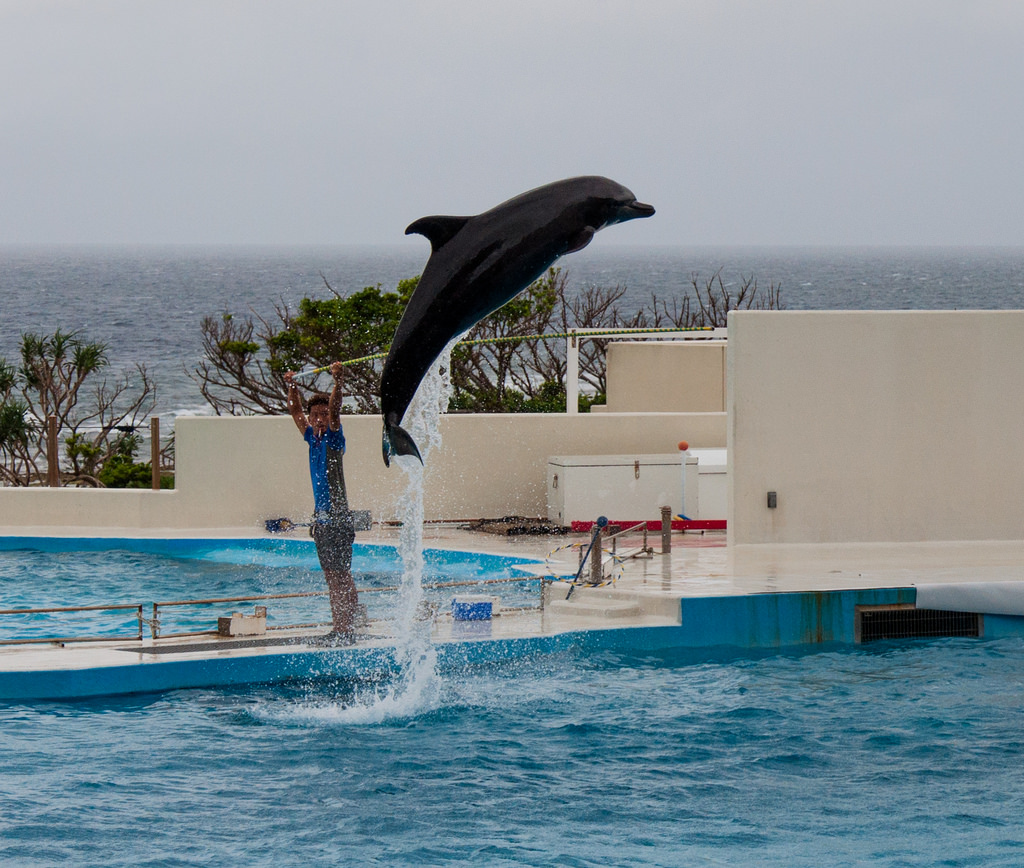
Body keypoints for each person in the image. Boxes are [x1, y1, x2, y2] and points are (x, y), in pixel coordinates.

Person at [284, 362, 358, 642]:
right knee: (332, 576)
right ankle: (343, 625)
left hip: (338, 516)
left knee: (341, 576)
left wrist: (338, 382)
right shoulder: (311, 439)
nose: (318, 419)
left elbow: (337, 409)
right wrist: (291, 386)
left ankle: (344, 629)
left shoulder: (334, 439)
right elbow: (294, 410)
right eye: (315, 415)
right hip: (322, 517)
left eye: (323, 415)